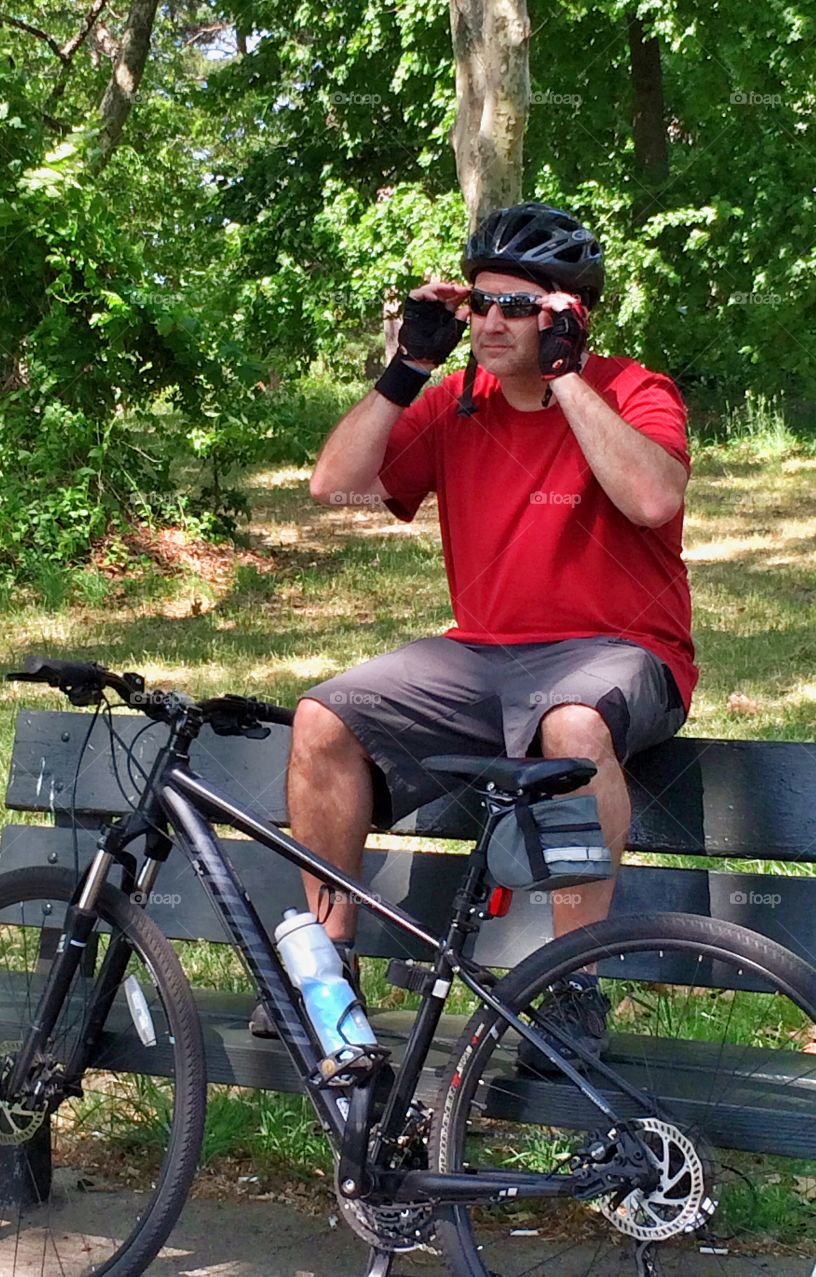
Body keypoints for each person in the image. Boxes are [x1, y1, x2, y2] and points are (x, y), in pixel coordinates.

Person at [250, 202, 696, 1062]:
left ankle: (570, 980)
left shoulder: (634, 389)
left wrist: (566, 380)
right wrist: (407, 365)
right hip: (482, 652)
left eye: (516, 306)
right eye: (479, 302)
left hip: (621, 651)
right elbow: (333, 485)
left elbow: (652, 499)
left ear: (570, 317)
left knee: (570, 726)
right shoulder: (458, 402)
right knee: (322, 719)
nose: (490, 321)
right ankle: (329, 965)